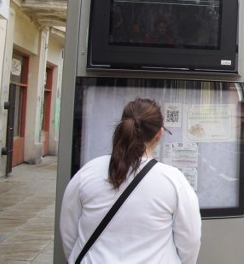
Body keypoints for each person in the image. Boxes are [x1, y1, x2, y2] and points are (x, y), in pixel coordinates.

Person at [60, 98, 201, 263]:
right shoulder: (173, 180)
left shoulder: (87, 173)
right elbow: (190, 241)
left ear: (124, 127)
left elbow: (69, 233)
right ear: (159, 133)